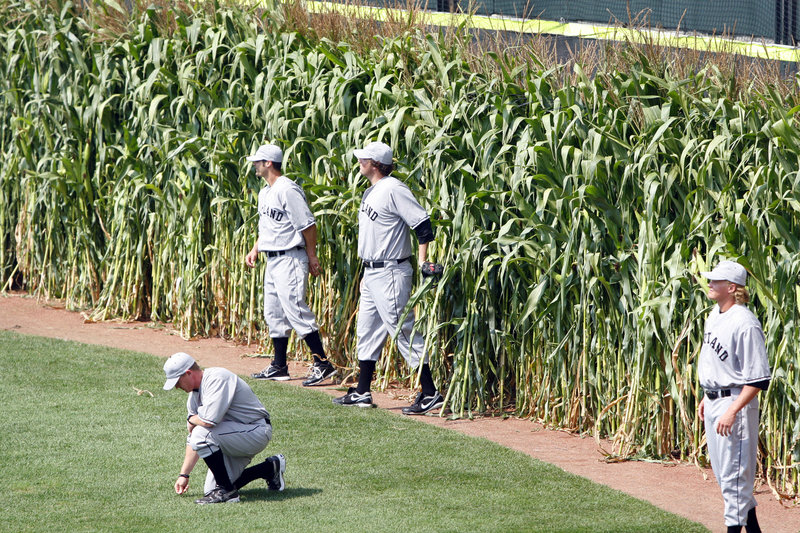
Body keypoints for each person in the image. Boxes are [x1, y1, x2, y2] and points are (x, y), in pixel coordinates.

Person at [332, 141, 444, 415]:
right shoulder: (372, 191)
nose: (360, 162)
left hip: (392, 271)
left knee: (403, 330)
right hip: (372, 272)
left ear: (376, 164)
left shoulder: (393, 188)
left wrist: (422, 260)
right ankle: (362, 391)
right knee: (367, 330)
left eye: (364, 159)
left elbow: (422, 223)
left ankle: (430, 393)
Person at [244, 143, 337, 387]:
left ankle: (322, 364)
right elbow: (266, 227)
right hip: (272, 258)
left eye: (258, 161)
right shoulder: (265, 191)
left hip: (291, 257)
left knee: (295, 309)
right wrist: (255, 249)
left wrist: (312, 255)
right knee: (273, 312)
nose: (254, 164)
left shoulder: (287, 189)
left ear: (269, 163)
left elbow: (308, 224)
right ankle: (279, 366)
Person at [698, 260, 771, 533]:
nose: (709, 283)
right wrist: (709, 396)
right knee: (724, 477)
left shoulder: (745, 322)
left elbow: (758, 379)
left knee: (734, 480)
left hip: (735, 406)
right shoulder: (714, 315)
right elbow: (719, 364)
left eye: (715, 281)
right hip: (716, 402)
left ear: (731, 287)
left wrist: (731, 409)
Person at [163, 352, 286, 504]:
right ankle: (269, 468)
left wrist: (191, 419)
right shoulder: (193, 397)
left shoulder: (217, 378)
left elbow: (208, 423)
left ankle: (228, 493)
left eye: (177, 382)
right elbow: (193, 437)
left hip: (256, 431)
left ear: (188, 373)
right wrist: (184, 475)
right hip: (232, 436)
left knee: (203, 435)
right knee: (211, 489)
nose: (176, 387)